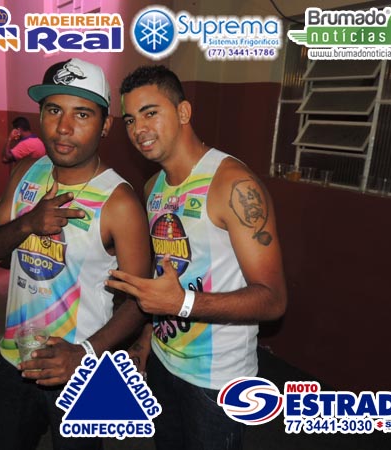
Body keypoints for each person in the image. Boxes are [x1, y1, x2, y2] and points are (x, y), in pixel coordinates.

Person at [0, 58, 151, 450]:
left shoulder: (119, 202)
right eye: (54, 110)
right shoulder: (27, 172)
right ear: (40, 115)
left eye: (82, 114)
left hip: (81, 371)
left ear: (105, 125)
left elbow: (142, 302)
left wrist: (83, 354)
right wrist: (27, 224)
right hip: (14, 360)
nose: (64, 127)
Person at [106, 65, 288, 450]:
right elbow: (163, 282)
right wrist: (144, 341)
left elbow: (273, 299)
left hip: (216, 381)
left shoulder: (233, 184)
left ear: (184, 112)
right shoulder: (152, 186)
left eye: (151, 112)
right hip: (163, 361)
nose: (139, 129)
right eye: (130, 119)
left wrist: (183, 303)